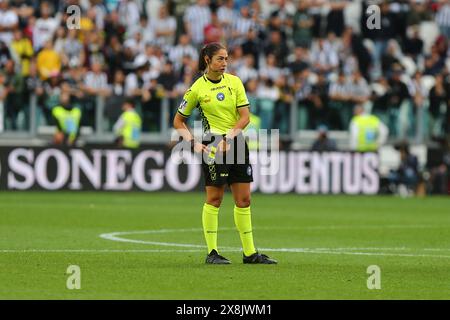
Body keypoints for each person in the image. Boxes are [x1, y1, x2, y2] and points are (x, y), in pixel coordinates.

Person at [173, 42, 277, 265]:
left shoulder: (235, 82)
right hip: (212, 144)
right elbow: (178, 121)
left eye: (227, 59)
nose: (225, 63)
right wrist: (195, 144)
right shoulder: (196, 89)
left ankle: (249, 253)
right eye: (220, 59)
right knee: (215, 198)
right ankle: (212, 252)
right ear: (208, 60)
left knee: (244, 199)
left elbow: (245, 117)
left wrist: (229, 138)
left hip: (236, 141)